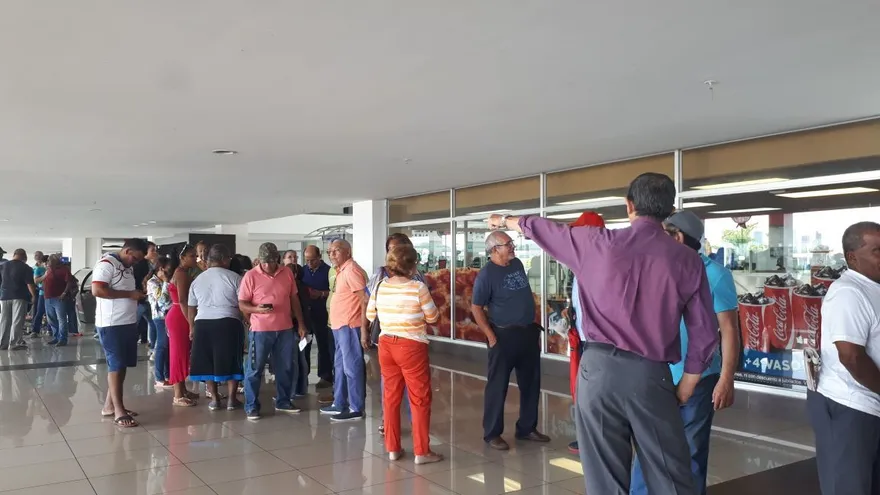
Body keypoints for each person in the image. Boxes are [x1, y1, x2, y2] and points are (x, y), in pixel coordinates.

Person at [487, 173, 718, 494]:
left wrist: (505, 220)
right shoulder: (688, 260)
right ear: (668, 210)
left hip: (597, 374)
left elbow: (544, 228)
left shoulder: (595, 243)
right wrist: (689, 382)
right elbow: (705, 331)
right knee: (671, 477)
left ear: (629, 205)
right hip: (651, 377)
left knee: (606, 481)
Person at [630, 210, 739, 495]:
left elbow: (728, 330)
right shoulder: (657, 267)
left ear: (677, 237)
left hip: (699, 378)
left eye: (663, 234)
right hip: (656, 374)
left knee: (690, 452)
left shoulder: (715, 275)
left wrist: (726, 379)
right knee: (648, 449)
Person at [808, 221, 880, 495]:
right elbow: (851, 356)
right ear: (852, 257)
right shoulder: (850, 292)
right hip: (850, 406)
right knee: (849, 487)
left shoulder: (873, 287)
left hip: (870, 405)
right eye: (877, 251)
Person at [471, 232, 549, 451]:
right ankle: (492, 433)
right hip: (503, 336)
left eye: (512, 243)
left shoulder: (516, 265)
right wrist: (491, 336)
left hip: (527, 334)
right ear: (495, 249)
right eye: (508, 244)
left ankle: (526, 428)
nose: (513, 247)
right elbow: (476, 307)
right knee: (498, 386)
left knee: (531, 384)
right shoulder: (486, 275)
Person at [366, 244, 443, 464]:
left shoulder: (380, 286)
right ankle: (421, 451)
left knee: (390, 398)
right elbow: (432, 317)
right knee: (419, 399)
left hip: (386, 345)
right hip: (411, 346)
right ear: (411, 267)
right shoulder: (418, 288)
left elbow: (371, 315)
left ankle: (393, 448)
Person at [239, 242, 308, 420]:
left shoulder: (287, 273)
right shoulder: (251, 276)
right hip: (261, 330)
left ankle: (283, 401)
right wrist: (257, 310)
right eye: (264, 262)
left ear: (277, 259)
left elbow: (294, 299)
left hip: (285, 329)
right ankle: (251, 406)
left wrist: (300, 323)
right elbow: (242, 304)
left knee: (285, 367)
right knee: (255, 369)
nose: (267, 265)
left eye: (270, 261)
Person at [366, 233, 422, 435]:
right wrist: (364, 332)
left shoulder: (417, 276)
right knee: (389, 384)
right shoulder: (381, 275)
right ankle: (387, 421)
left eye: (398, 248)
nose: (394, 253)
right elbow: (369, 308)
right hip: (387, 337)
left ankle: (414, 420)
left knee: (413, 384)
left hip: (413, 337)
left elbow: (429, 311)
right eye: (390, 249)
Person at [91, 239, 148, 428]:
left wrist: (135, 294)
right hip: (111, 324)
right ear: (127, 250)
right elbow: (97, 290)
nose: (135, 262)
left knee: (122, 365)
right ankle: (119, 410)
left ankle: (110, 406)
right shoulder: (106, 264)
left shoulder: (126, 266)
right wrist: (129, 295)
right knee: (115, 366)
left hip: (127, 322)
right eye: (135, 257)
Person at [563, 211, 606, 455]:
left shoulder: (601, 265)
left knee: (594, 394)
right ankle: (588, 437)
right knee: (582, 391)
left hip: (598, 343)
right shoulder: (580, 264)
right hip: (581, 339)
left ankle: (595, 440)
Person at [188, 244, 245, 411]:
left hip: (203, 324)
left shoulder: (198, 280)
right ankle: (232, 400)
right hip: (228, 322)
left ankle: (214, 399)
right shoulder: (235, 278)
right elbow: (242, 304)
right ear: (224, 259)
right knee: (232, 360)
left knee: (207, 361)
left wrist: (192, 327)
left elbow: (192, 306)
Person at [321, 239, 369, 422]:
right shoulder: (341, 271)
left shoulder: (352, 270)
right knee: (340, 366)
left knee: (352, 367)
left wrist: (364, 329)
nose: (332, 255)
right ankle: (339, 402)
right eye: (330, 252)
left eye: (336, 251)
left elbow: (364, 300)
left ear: (348, 252)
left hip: (350, 325)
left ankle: (355, 407)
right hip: (339, 326)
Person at [167, 244, 199, 407]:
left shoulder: (183, 273)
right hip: (180, 316)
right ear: (182, 258)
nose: (196, 258)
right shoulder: (181, 274)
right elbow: (183, 300)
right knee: (178, 354)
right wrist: (191, 323)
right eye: (192, 256)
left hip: (179, 314)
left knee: (182, 353)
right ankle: (178, 395)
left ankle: (183, 389)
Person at [302, 245, 334, 391]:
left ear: (319, 256)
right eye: (307, 260)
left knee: (323, 345)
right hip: (306, 314)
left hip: (322, 313)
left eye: (313, 260)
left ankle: (325, 376)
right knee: (305, 345)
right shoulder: (302, 271)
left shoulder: (328, 271)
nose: (310, 263)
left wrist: (321, 294)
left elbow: (334, 291)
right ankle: (303, 375)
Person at [0, 249, 37, 351]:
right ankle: (14, 343)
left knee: (4, 320)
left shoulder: (3, 266)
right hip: (19, 296)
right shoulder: (26, 268)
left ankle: (2, 344)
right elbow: (30, 284)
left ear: (14, 255)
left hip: (5, 296)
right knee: (17, 320)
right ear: (24, 257)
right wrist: (34, 296)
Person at [147, 256, 174, 389]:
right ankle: (159, 378)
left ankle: (167, 374)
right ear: (161, 269)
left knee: (167, 346)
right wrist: (165, 282)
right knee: (161, 346)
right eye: (167, 269)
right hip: (160, 318)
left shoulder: (164, 281)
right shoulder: (152, 282)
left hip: (168, 317)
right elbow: (162, 300)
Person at [42, 254, 73, 346]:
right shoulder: (48, 270)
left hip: (59, 298)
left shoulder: (64, 270)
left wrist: (64, 293)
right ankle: (56, 337)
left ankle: (63, 339)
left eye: (50, 260)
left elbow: (69, 282)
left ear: (55, 261)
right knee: (51, 319)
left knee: (61, 319)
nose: (48, 262)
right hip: (47, 298)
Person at [133, 242, 158, 346]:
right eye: (152, 250)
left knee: (152, 323)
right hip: (141, 299)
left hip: (149, 299)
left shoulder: (154, 264)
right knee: (134, 323)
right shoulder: (139, 265)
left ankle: (152, 345)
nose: (155, 252)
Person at [30, 252, 49, 337]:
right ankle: (35, 330)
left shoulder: (53, 270)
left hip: (51, 294)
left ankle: (50, 329)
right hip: (40, 292)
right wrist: (45, 275)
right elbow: (36, 281)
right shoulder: (37, 269)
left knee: (51, 313)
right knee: (39, 311)